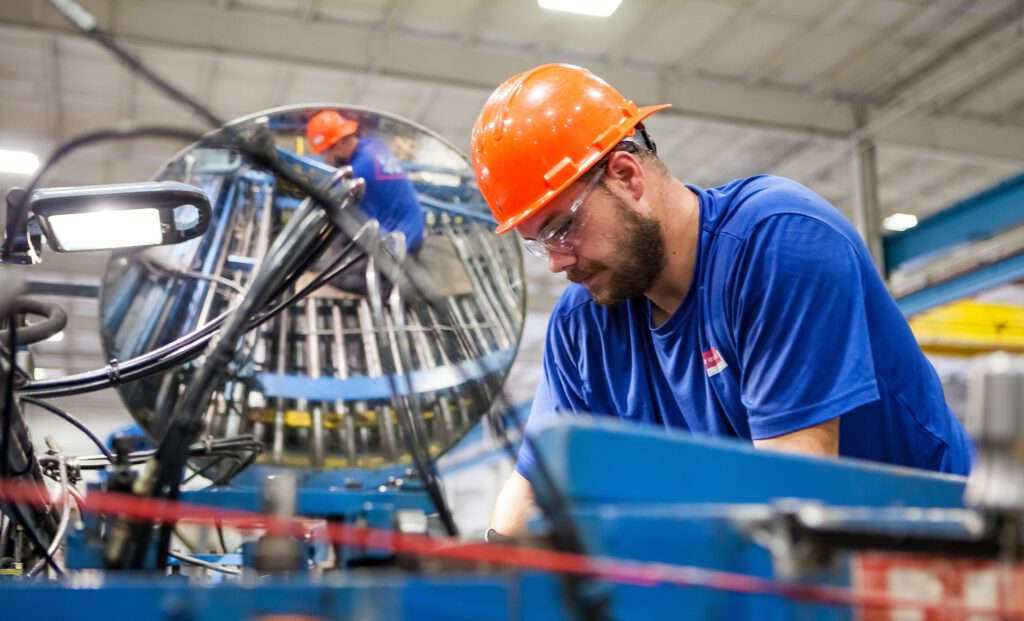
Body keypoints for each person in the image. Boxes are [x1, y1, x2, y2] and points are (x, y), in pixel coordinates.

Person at [470, 64, 974, 537]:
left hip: (934, 556)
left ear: (627, 177)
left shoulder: (778, 243)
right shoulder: (584, 324)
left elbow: (792, 494)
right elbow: (536, 487)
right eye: (539, 243)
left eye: (562, 227)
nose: (557, 262)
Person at [306, 110, 425, 293]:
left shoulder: (356, 173)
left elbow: (335, 211)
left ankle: (398, 289)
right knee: (345, 237)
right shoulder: (373, 145)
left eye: (325, 153)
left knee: (331, 275)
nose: (326, 159)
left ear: (337, 146)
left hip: (400, 243)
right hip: (414, 226)